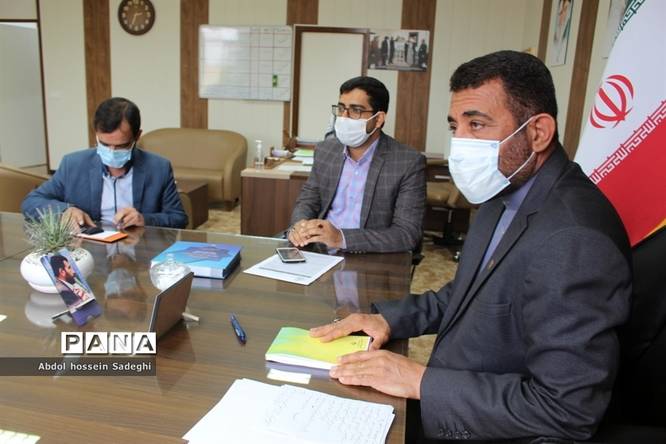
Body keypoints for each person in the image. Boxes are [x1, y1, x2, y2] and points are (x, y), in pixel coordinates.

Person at [310, 51, 632, 441]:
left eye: (476, 124)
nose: (459, 143)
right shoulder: (504, 190)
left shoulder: (574, 238)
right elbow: (467, 294)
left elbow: (565, 409)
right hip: (453, 396)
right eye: (455, 126)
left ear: (538, 132)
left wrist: (421, 381)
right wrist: (388, 319)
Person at [288, 76, 425, 254]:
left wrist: (341, 238)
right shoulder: (325, 150)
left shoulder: (407, 162)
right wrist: (300, 225)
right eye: (341, 109)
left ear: (378, 119)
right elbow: (308, 200)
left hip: (369, 256)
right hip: (319, 249)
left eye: (356, 110)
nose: (344, 118)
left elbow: (407, 234)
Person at [22, 97, 187, 229]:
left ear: (137, 136)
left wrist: (144, 219)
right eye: (105, 144)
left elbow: (179, 218)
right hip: (90, 249)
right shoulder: (73, 164)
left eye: (121, 146)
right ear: (96, 134)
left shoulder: (158, 168)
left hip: (139, 249)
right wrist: (65, 211)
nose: (112, 151)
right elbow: (31, 202)